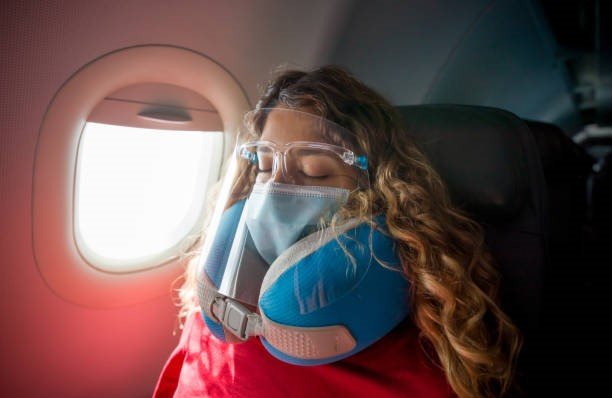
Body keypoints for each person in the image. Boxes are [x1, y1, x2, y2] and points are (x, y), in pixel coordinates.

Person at [153, 66, 522, 398]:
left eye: (315, 172)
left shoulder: (423, 365)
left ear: (376, 187)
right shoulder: (217, 317)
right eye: (264, 168)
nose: (275, 192)